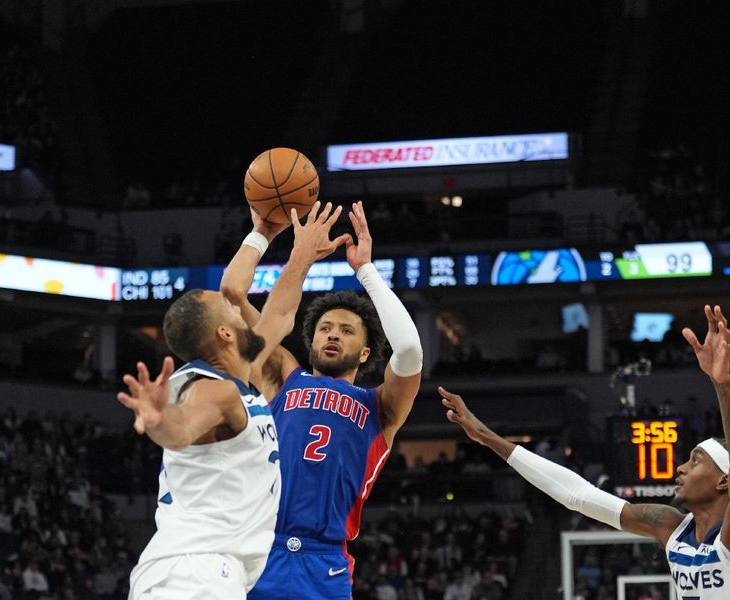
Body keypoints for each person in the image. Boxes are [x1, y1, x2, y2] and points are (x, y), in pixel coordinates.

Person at [117, 202, 349, 600]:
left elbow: (280, 312)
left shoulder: (243, 372)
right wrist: (159, 420)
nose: (235, 299)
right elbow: (182, 428)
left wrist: (274, 239)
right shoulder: (214, 388)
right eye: (227, 306)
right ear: (225, 333)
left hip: (207, 572)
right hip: (195, 572)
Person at [440, 304, 730, 599]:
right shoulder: (670, 526)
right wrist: (487, 437)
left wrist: (721, 384)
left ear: (724, 480)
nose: (681, 468)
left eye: (695, 461)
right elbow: (578, 494)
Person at [220, 201, 423, 598]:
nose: (333, 334)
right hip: (257, 548)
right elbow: (232, 293)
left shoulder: (379, 406)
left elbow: (411, 351)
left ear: (365, 353)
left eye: (347, 331)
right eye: (325, 328)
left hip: (324, 562)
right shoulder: (282, 375)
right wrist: (262, 233)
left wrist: (365, 270)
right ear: (311, 340)